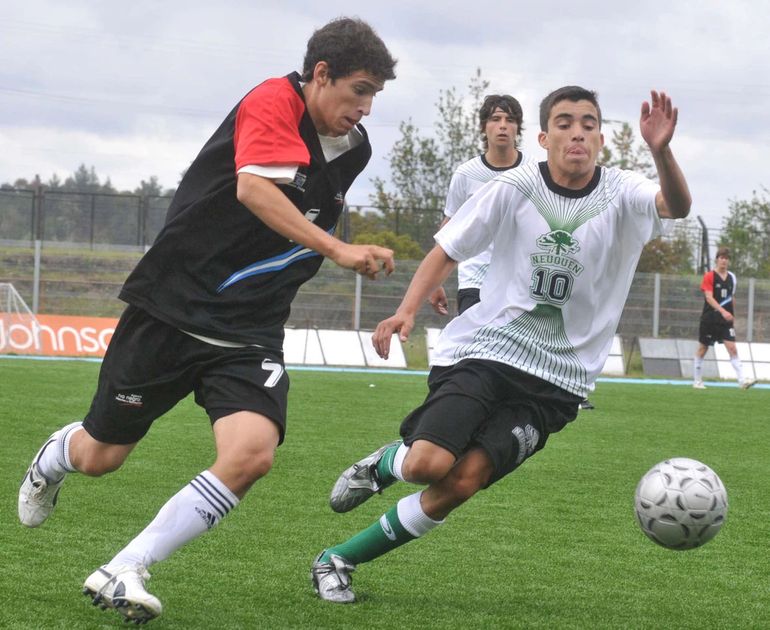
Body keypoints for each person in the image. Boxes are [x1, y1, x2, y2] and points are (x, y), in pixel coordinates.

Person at [17, 17, 396, 624]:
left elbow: (303, 217)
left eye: (375, 94)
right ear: (319, 75)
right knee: (101, 456)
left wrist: (328, 253)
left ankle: (126, 567)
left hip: (249, 330)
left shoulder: (355, 148)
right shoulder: (273, 99)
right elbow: (255, 191)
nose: (366, 107)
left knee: (252, 453)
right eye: (359, 89)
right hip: (174, 308)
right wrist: (338, 250)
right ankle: (56, 457)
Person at [310, 86, 691, 603]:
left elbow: (676, 205)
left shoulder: (625, 191)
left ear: (601, 138)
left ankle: (337, 559)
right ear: (543, 137)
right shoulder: (514, 187)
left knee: (462, 482)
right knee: (427, 465)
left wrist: (661, 150)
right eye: (563, 122)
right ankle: (383, 465)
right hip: (490, 352)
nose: (575, 132)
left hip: (558, 383)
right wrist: (405, 310)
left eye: (586, 123)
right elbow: (448, 248)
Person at [428, 94, 530, 317]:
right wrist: (434, 282)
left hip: (521, 286)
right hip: (474, 283)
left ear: (518, 128)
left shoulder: (534, 172)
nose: (502, 126)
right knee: (471, 351)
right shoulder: (466, 174)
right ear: (484, 126)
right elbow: (448, 230)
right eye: (495, 119)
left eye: (510, 120)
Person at [693, 247, 755, 389]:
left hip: (725, 321)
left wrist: (733, 314)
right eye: (721, 258)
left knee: (732, 348)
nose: (724, 261)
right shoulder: (709, 276)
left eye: (726, 258)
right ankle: (697, 381)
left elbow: (731, 297)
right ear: (717, 259)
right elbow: (708, 297)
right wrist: (722, 311)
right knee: (703, 348)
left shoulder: (732, 277)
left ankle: (742, 381)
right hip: (710, 319)